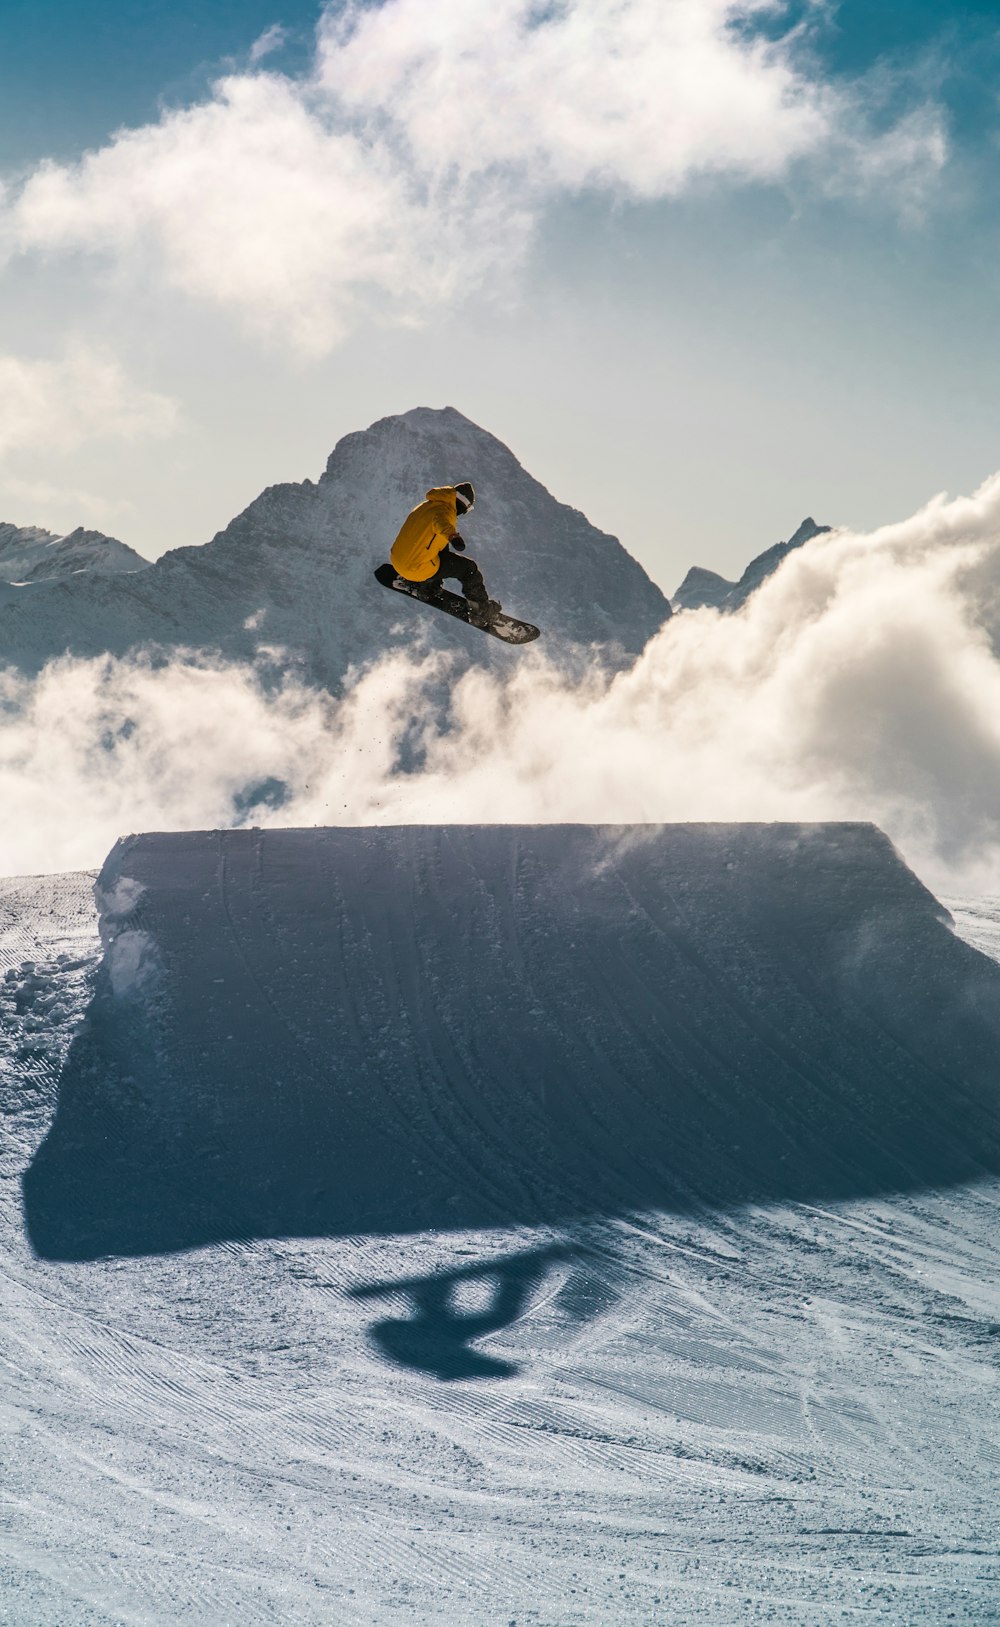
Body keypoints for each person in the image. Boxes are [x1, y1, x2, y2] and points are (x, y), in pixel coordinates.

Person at [389, 481, 500, 628]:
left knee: (441, 548)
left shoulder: (426, 505)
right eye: (467, 509)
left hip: (398, 561)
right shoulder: (445, 511)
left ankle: (427, 585)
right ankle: (481, 611)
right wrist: (453, 536)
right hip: (416, 569)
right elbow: (441, 522)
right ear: (463, 504)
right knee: (469, 569)